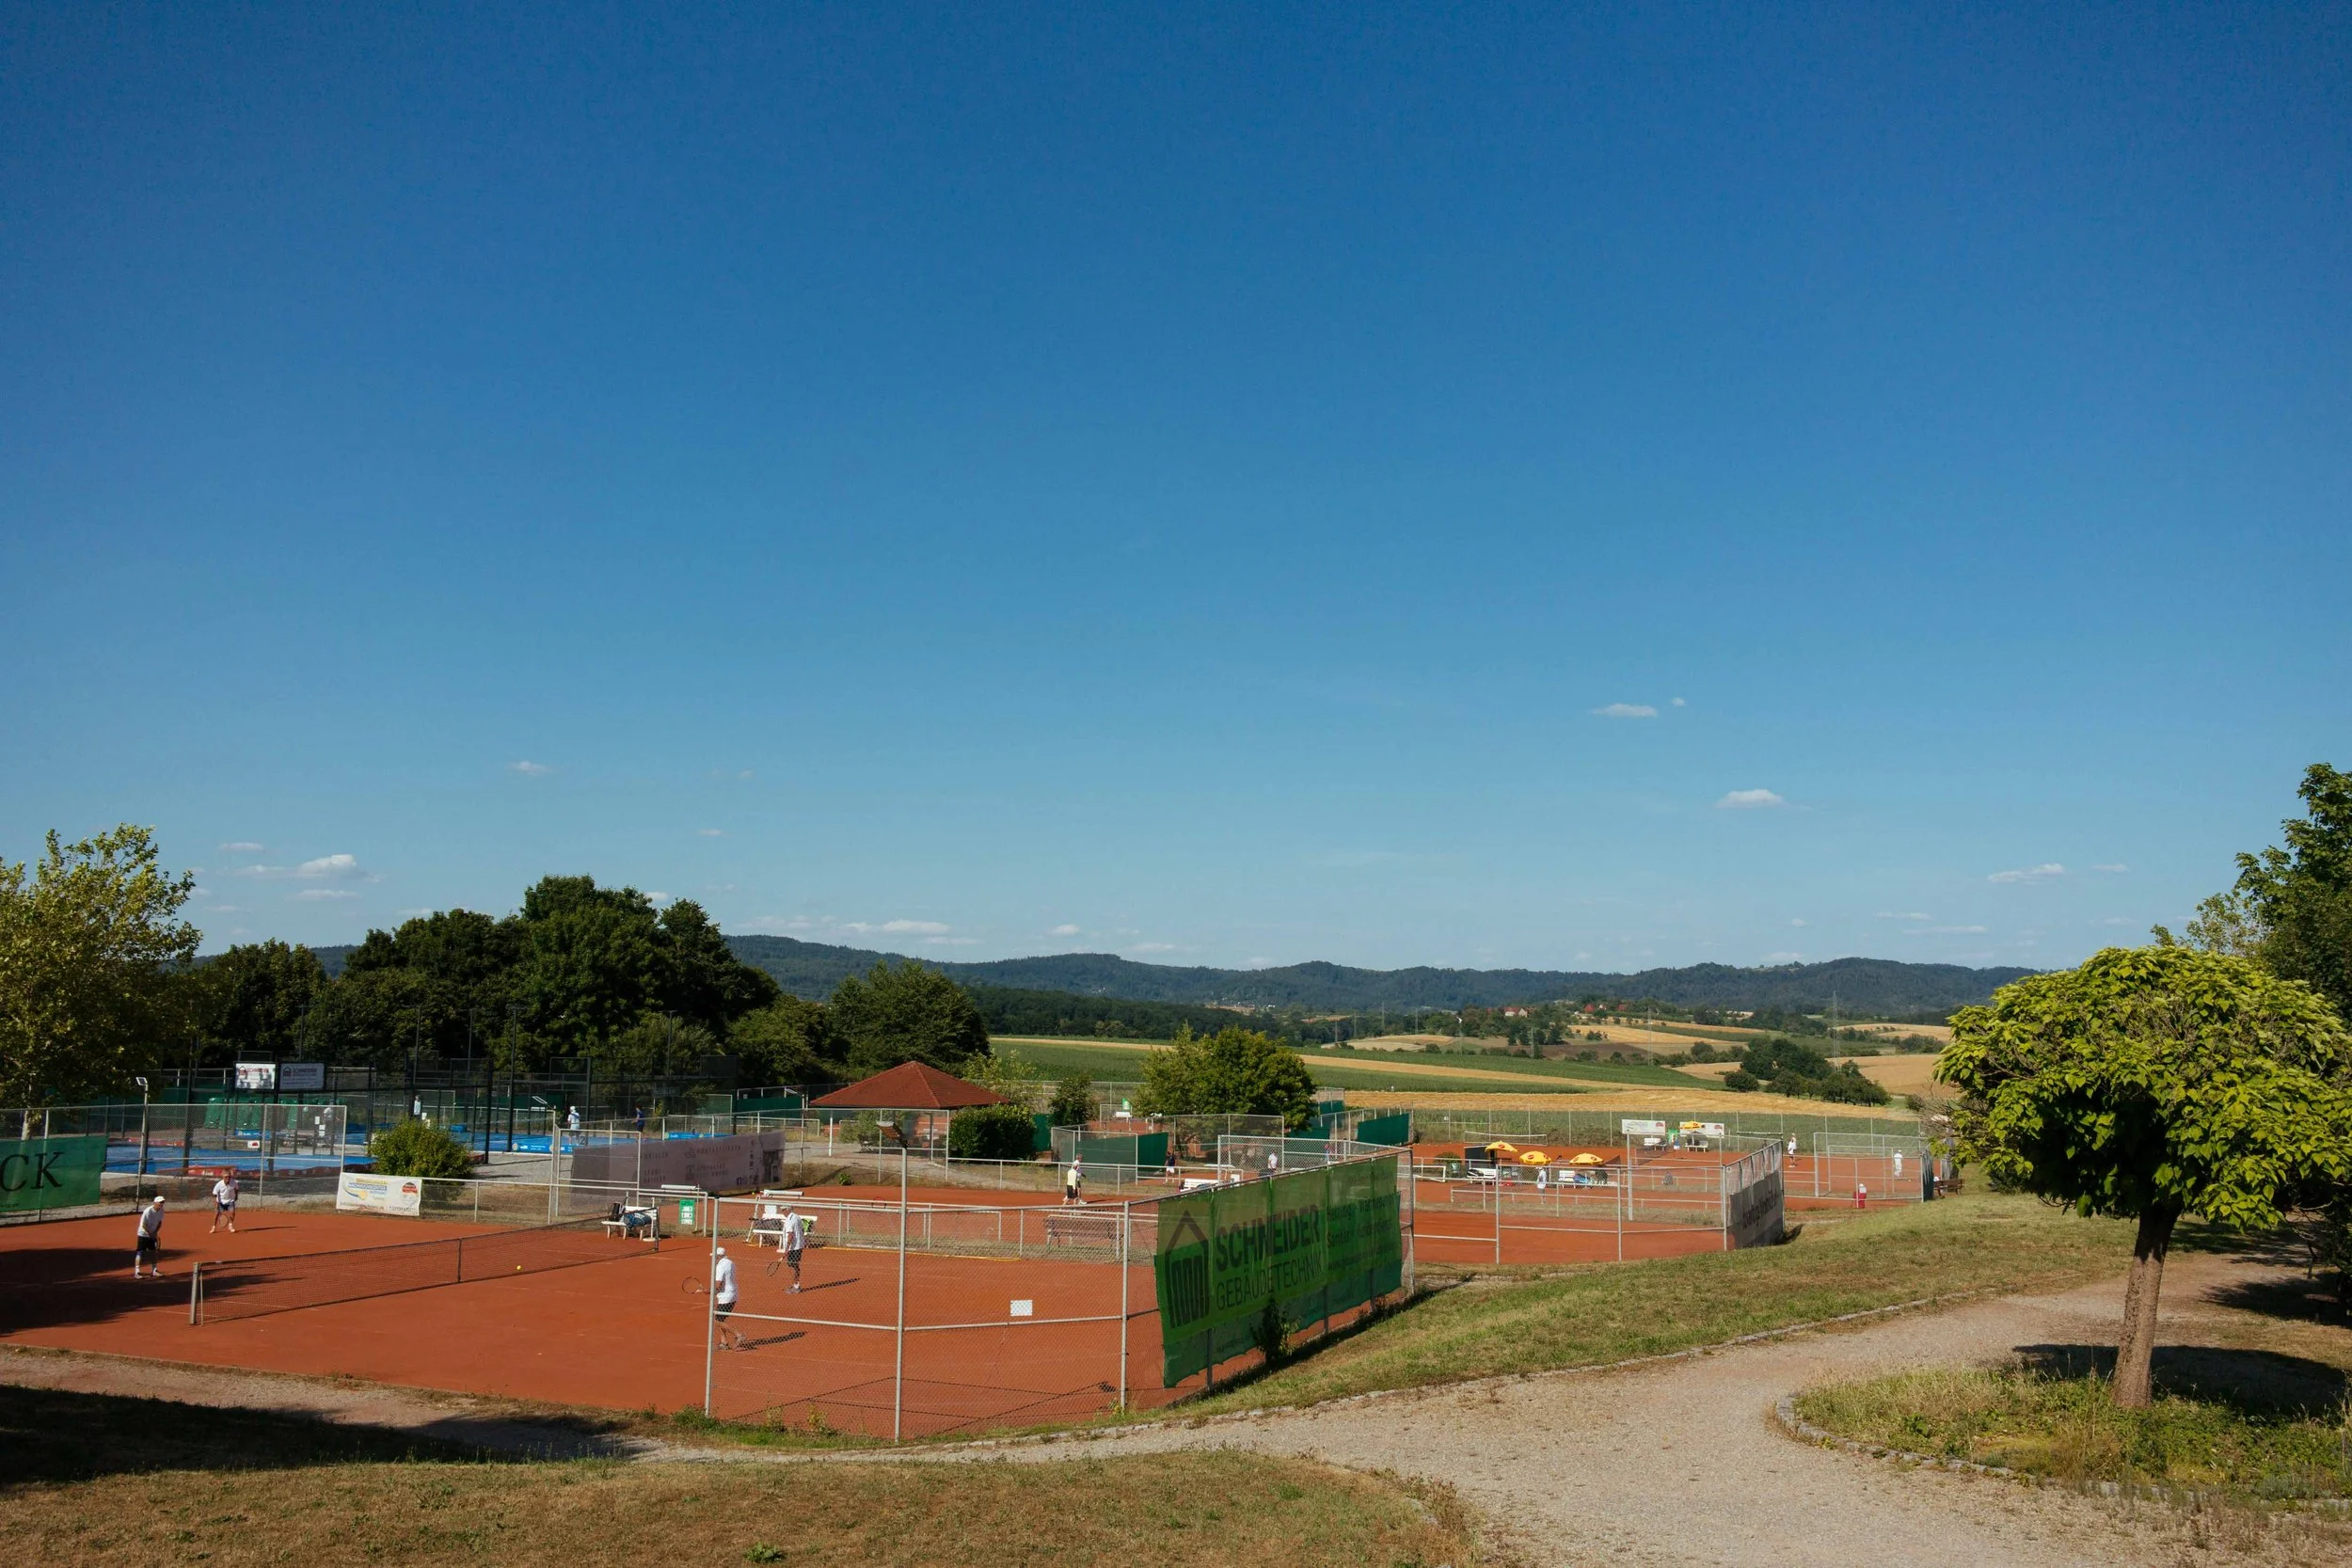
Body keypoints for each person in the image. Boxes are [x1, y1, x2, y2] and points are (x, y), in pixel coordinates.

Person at [710, 1245, 747, 1350]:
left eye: (715, 1257)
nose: (714, 1259)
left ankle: (739, 1335)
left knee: (716, 1320)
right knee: (720, 1319)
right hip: (733, 1295)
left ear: (718, 1256)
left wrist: (709, 1291)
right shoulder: (731, 1263)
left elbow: (718, 1285)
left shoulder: (720, 1266)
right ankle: (724, 1342)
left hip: (726, 1297)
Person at [132, 1196, 166, 1278]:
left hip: (152, 1233)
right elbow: (143, 1225)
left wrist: (155, 1232)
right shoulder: (148, 1211)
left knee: (153, 1252)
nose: (162, 1204)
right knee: (140, 1252)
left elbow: (160, 1222)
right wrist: (150, 1234)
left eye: (162, 1202)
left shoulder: (161, 1211)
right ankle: (137, 1272)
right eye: (160, 1202)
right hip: (143, 1234)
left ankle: (154, 1271)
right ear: (155, 1203)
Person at [781, 1208, 807, 1292]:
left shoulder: (789, 1220)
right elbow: (802, 1230)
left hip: (793, 1247)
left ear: (788, 1210)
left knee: (793, 1266)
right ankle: (795, 1284)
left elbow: (790, 1235)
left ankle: (796, 1286)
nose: (782, 1212)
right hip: (799, 1245)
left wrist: (786, 1249)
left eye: (783, 1210)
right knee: (794, 1265)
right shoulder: (797, 1217)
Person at [209, 1171, 239, 1235]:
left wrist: (236, 1196)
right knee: (216, 1214)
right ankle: (213, 1227)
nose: (228, 1178)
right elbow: (214, 1194)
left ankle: (230, 1226)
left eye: (229, 1177)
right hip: (221, 1202)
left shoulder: (234, 1182)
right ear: (223, 1177)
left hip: (230, 1201)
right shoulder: (219, 1184)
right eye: (226, 1177)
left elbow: (236, 1189)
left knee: (233, 1213)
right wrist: (216, 1203)